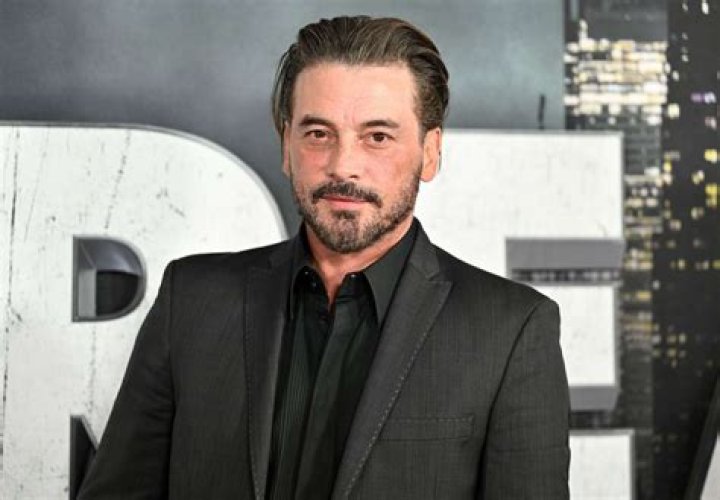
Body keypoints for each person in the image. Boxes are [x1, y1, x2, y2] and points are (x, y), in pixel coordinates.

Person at [78, 15, 569, 500]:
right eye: (318, 134)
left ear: (430, 152)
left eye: (378, 137)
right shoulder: (191, 301)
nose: (342, 165)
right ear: (286, 146)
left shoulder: (511, 330)